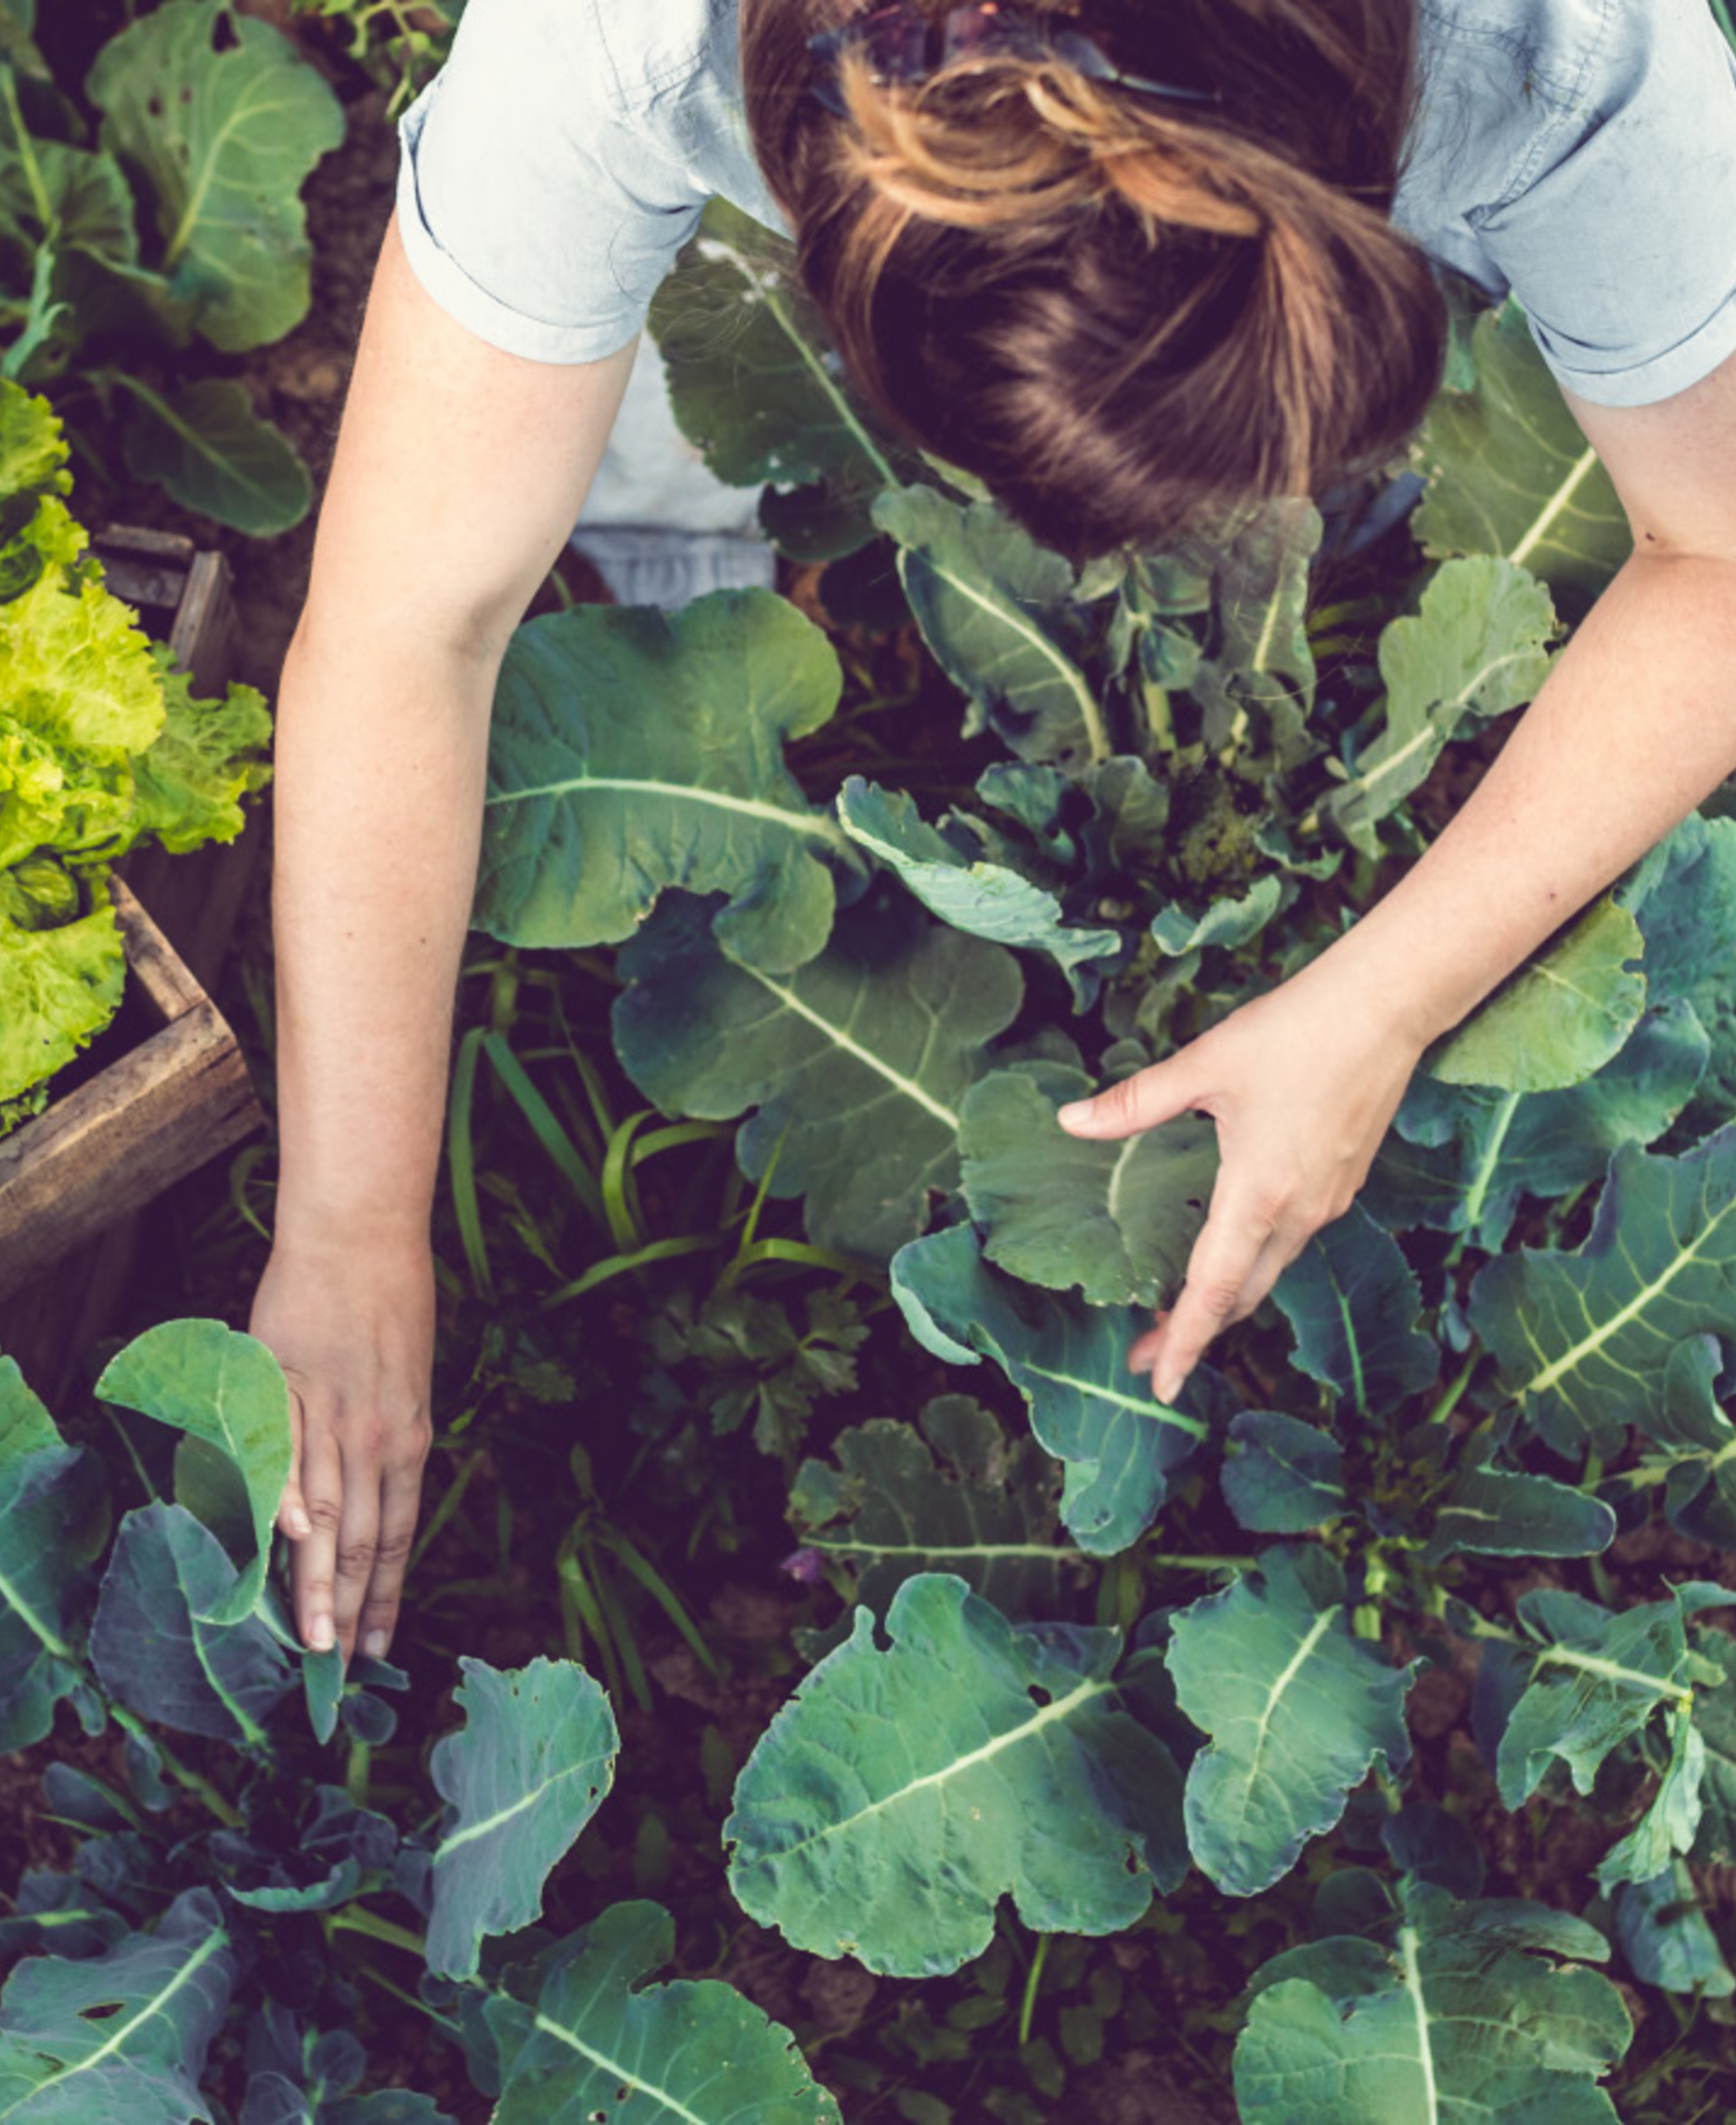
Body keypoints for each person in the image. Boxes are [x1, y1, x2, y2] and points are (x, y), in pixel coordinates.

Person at [251, 0, 1736, 1662]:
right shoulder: (614, 45)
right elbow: (405, 632)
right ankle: (680, 456)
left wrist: (1375, 1003)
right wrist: (347, 1224)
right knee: (588, 435)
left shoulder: (1557, 45)